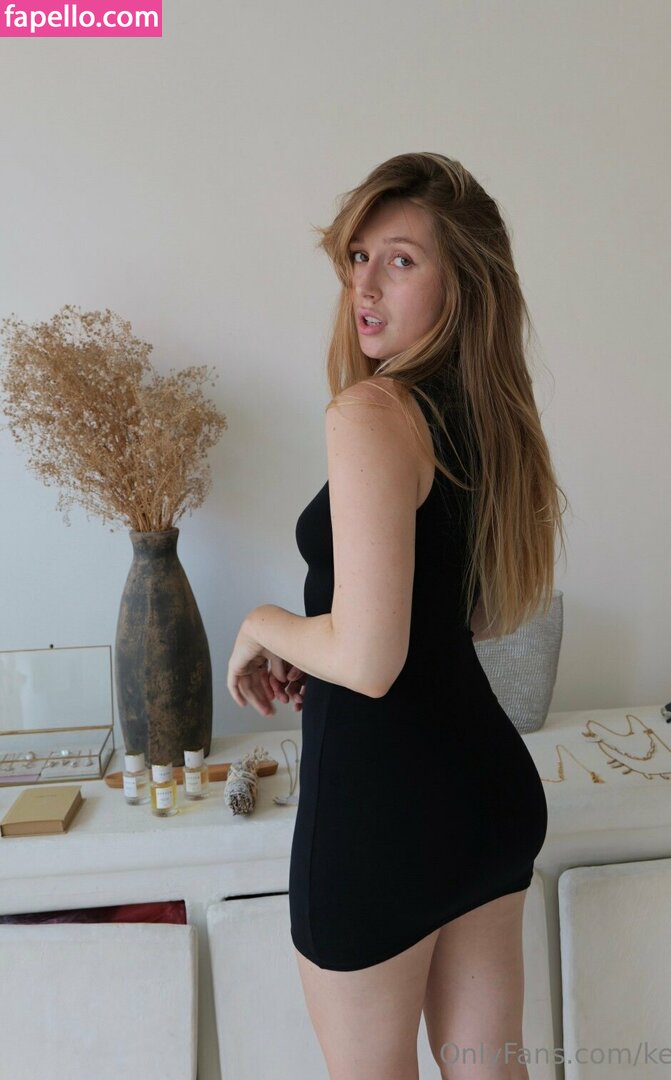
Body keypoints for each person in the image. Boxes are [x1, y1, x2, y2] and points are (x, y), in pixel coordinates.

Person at [227, 152, 568, 1080]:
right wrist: (325, 647)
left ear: (462, 284)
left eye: (402, 260)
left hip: (380, 816)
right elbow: (462, 619)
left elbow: (372, 660)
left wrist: (264, 622)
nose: (365, 286)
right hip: (484, 797)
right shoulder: (489, 416)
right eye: (357, 257)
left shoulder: (373, 412)